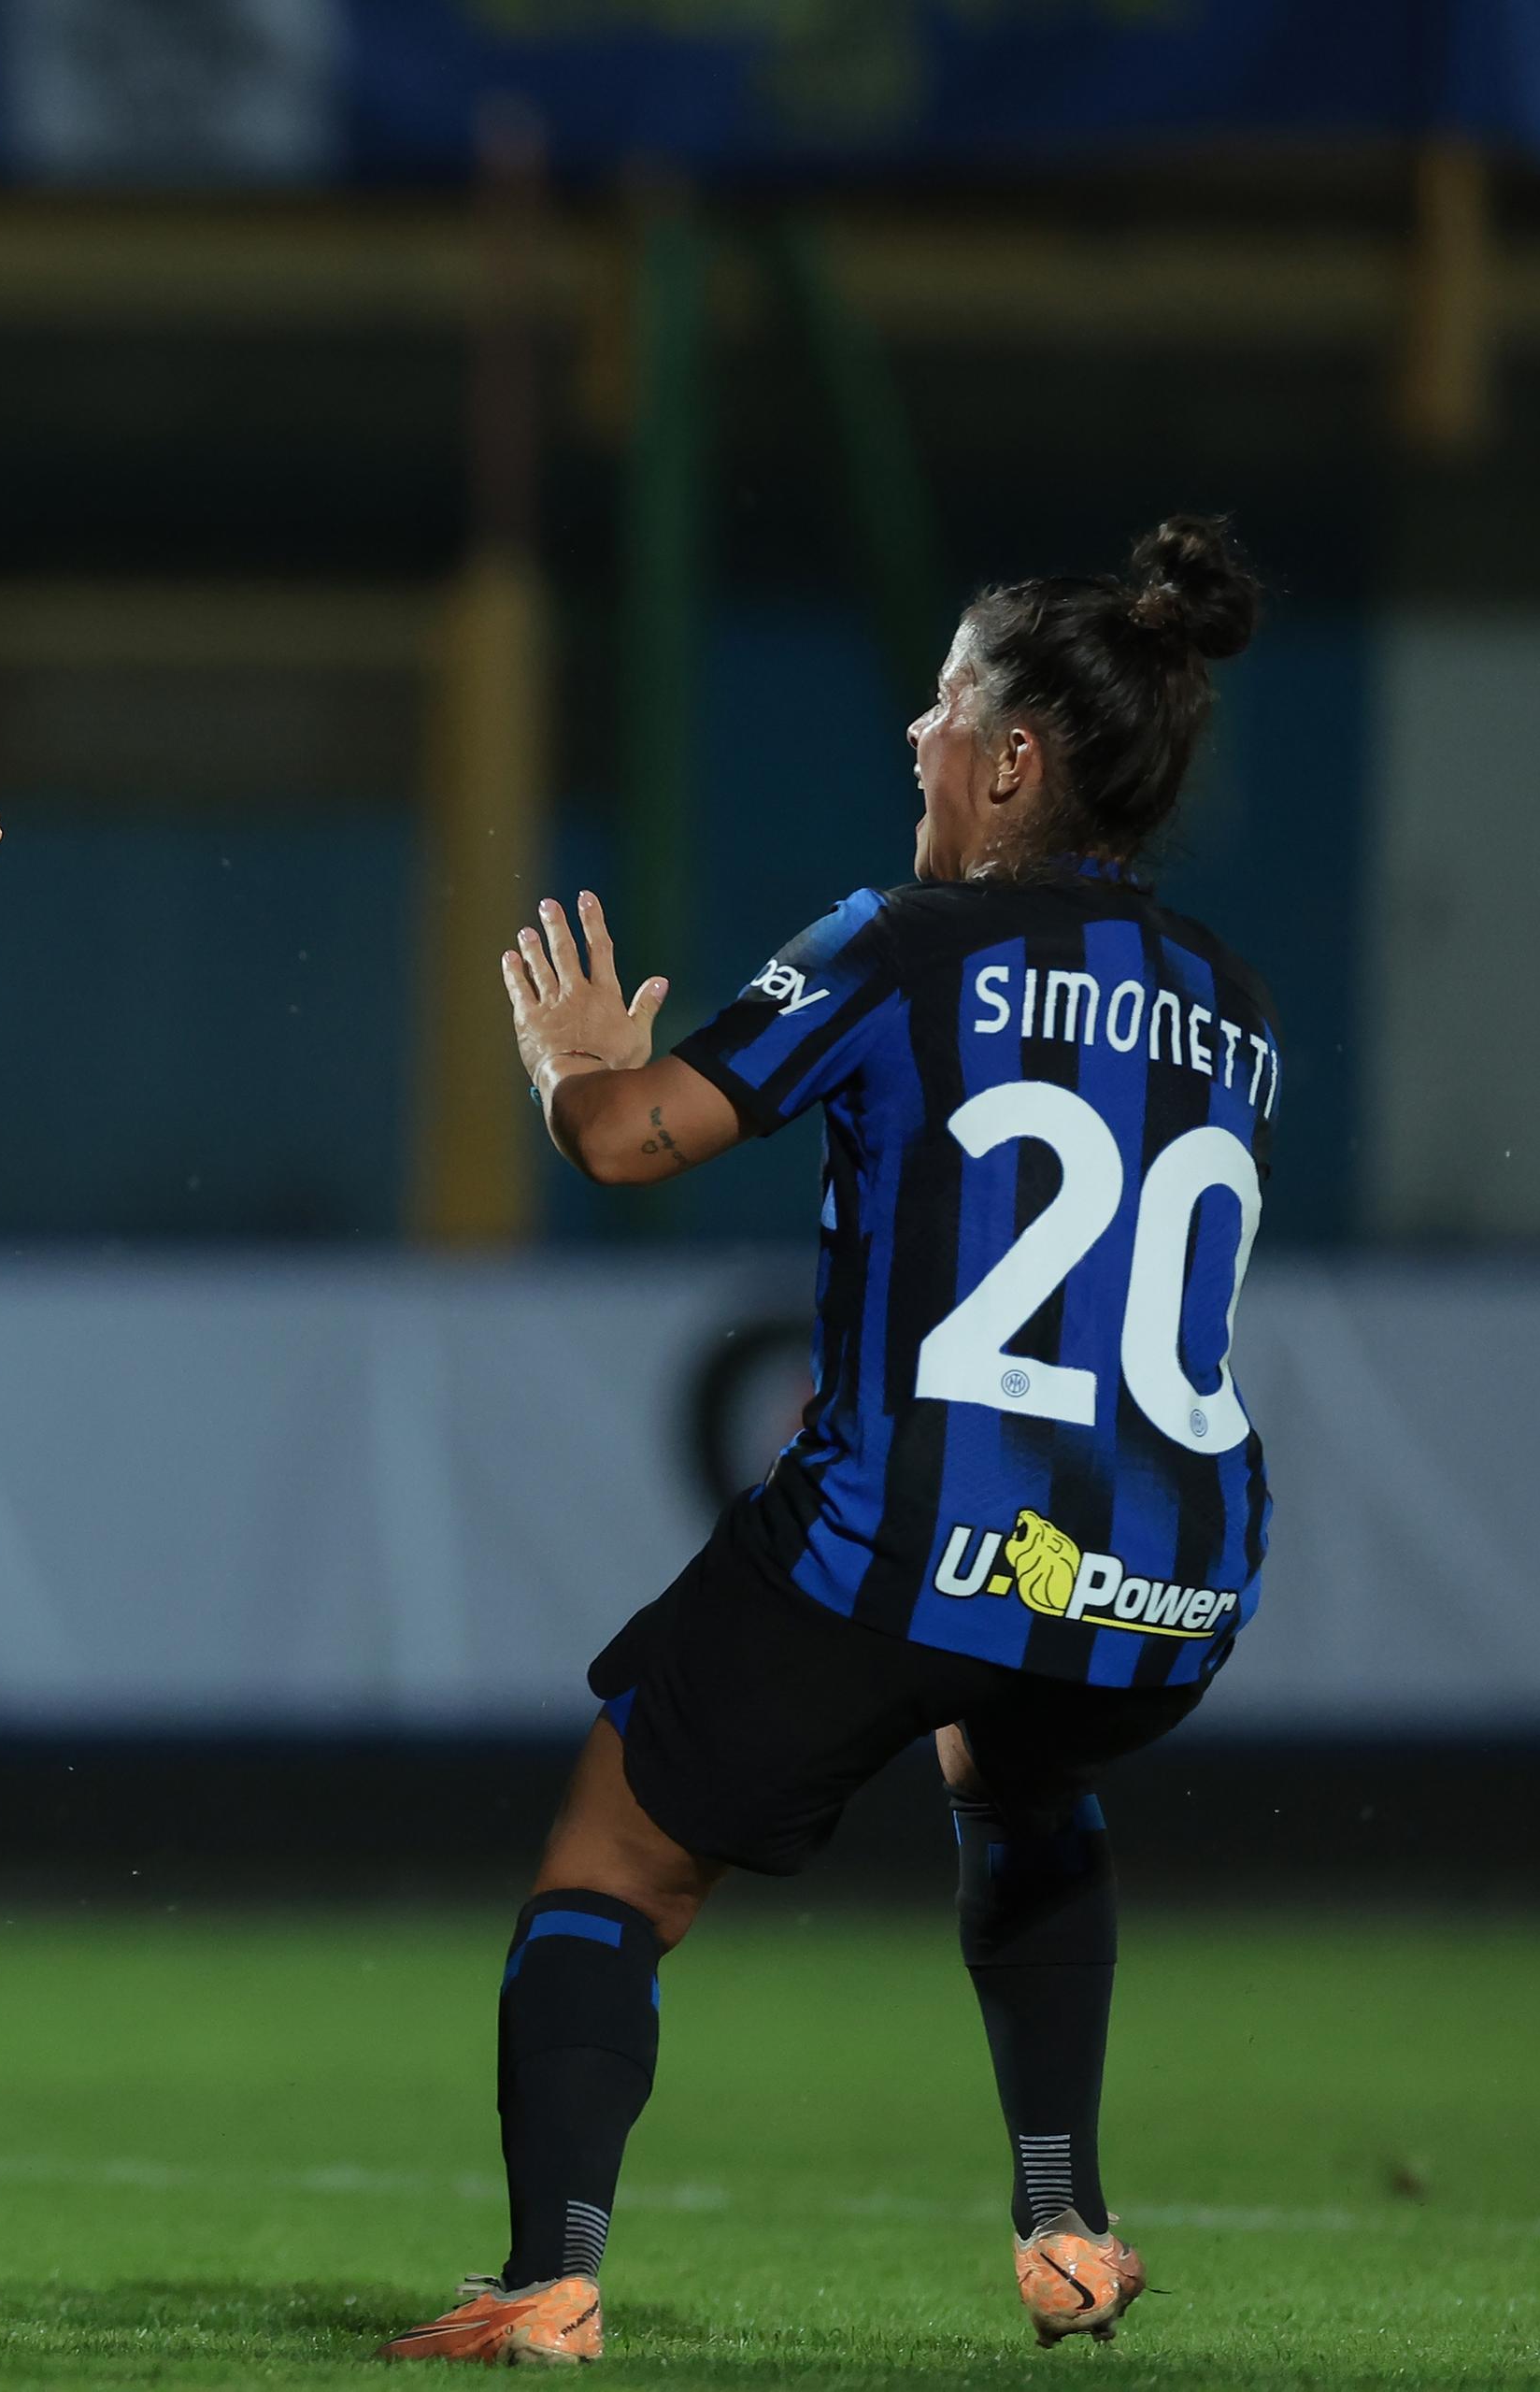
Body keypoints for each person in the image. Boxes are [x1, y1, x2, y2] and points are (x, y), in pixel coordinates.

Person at [384, 519, 1273, 2366]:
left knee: (614, 1861)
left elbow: (636, 1137)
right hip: (1171, 1569)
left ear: (1015, 760)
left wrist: (563, 1062)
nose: (917, 743)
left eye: (945, 710)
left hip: (908, 1527)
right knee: (1023, 1775)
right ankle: (1068, 2220)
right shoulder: (1229, 1003)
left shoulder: (908, 938)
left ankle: (549, 2274)